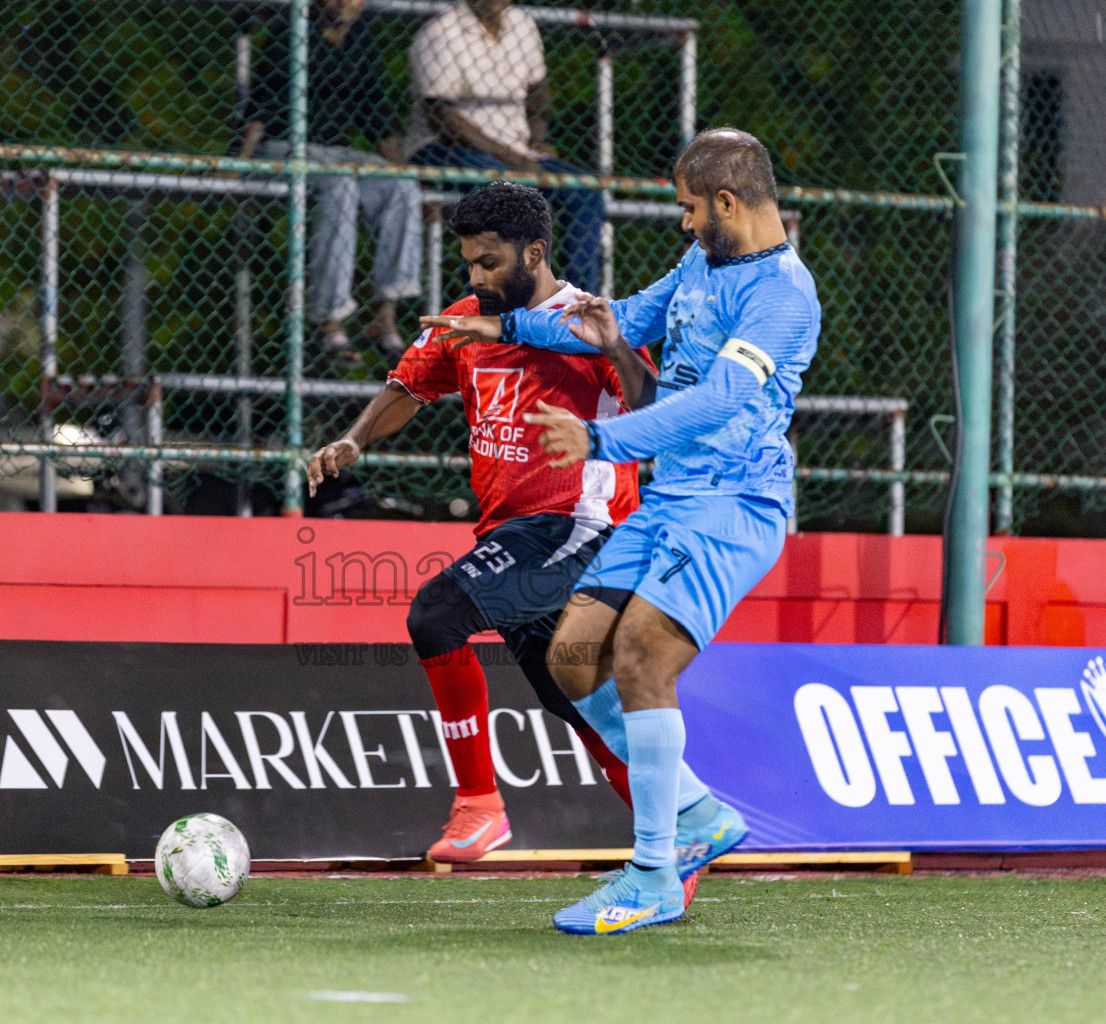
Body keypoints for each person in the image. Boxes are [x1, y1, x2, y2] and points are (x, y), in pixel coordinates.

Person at [423, 128, 822, 934]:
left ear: (727, 202)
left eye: (689, 208)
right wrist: (513, 329)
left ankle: (652, 873)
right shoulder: (703, 262)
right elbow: (625, 319)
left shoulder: (784, 296)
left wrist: (602, 440)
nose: (683, 222)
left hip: (732, 505)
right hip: (670, 500)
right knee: (573, 656)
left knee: (640, 657)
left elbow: (716, 402)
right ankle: (699, 816)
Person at [307, 182, 651, 864]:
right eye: (467, 262)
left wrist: (615, 350)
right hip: (512, 536)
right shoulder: (467, 322)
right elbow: (407, 386)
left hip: (579, 528)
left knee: (436, 615)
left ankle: (480, 805)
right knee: (576, 703)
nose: (475, 277)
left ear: (535, 253)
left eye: (489, 262)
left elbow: (653, 409)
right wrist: (354, 439)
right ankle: (674, 840)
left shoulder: (588, 321)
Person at [241, 0, 422, 362]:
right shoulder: (291, 33)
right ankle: (329, 319)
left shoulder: (361, 38)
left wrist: (404, 169)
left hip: (334, 149)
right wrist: (239, 163)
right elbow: (261, 109)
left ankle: (385, 316)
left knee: (400, 186)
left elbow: (374, 113)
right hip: (283, 145)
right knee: (340, 183)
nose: (343, 3)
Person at [403, 0, 603, 295]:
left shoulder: (522, 24)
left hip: (515, 151)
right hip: (441, 148)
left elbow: (537, 90)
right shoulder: (440, 31)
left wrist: (537, 140)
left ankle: (576, 303)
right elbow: (442, 118)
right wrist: (511, 159)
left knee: (585, 191)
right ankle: (485, 303)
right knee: (499, 188)